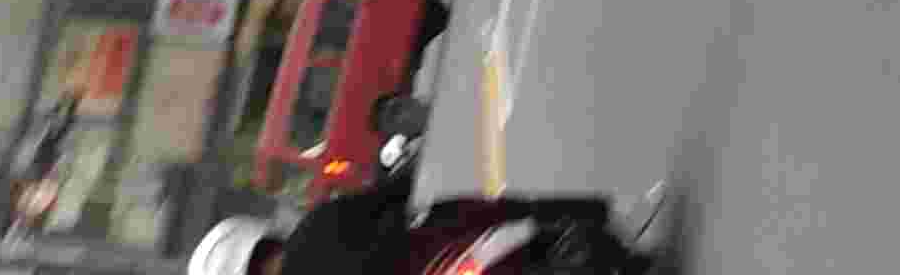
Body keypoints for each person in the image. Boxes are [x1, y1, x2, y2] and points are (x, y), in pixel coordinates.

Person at [191, 189, 665, 275]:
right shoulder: (320, 222)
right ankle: (604, 215)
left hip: (459, 262)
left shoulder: (320, 226)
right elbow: (396, 194)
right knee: (498, 210)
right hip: (453, 254)